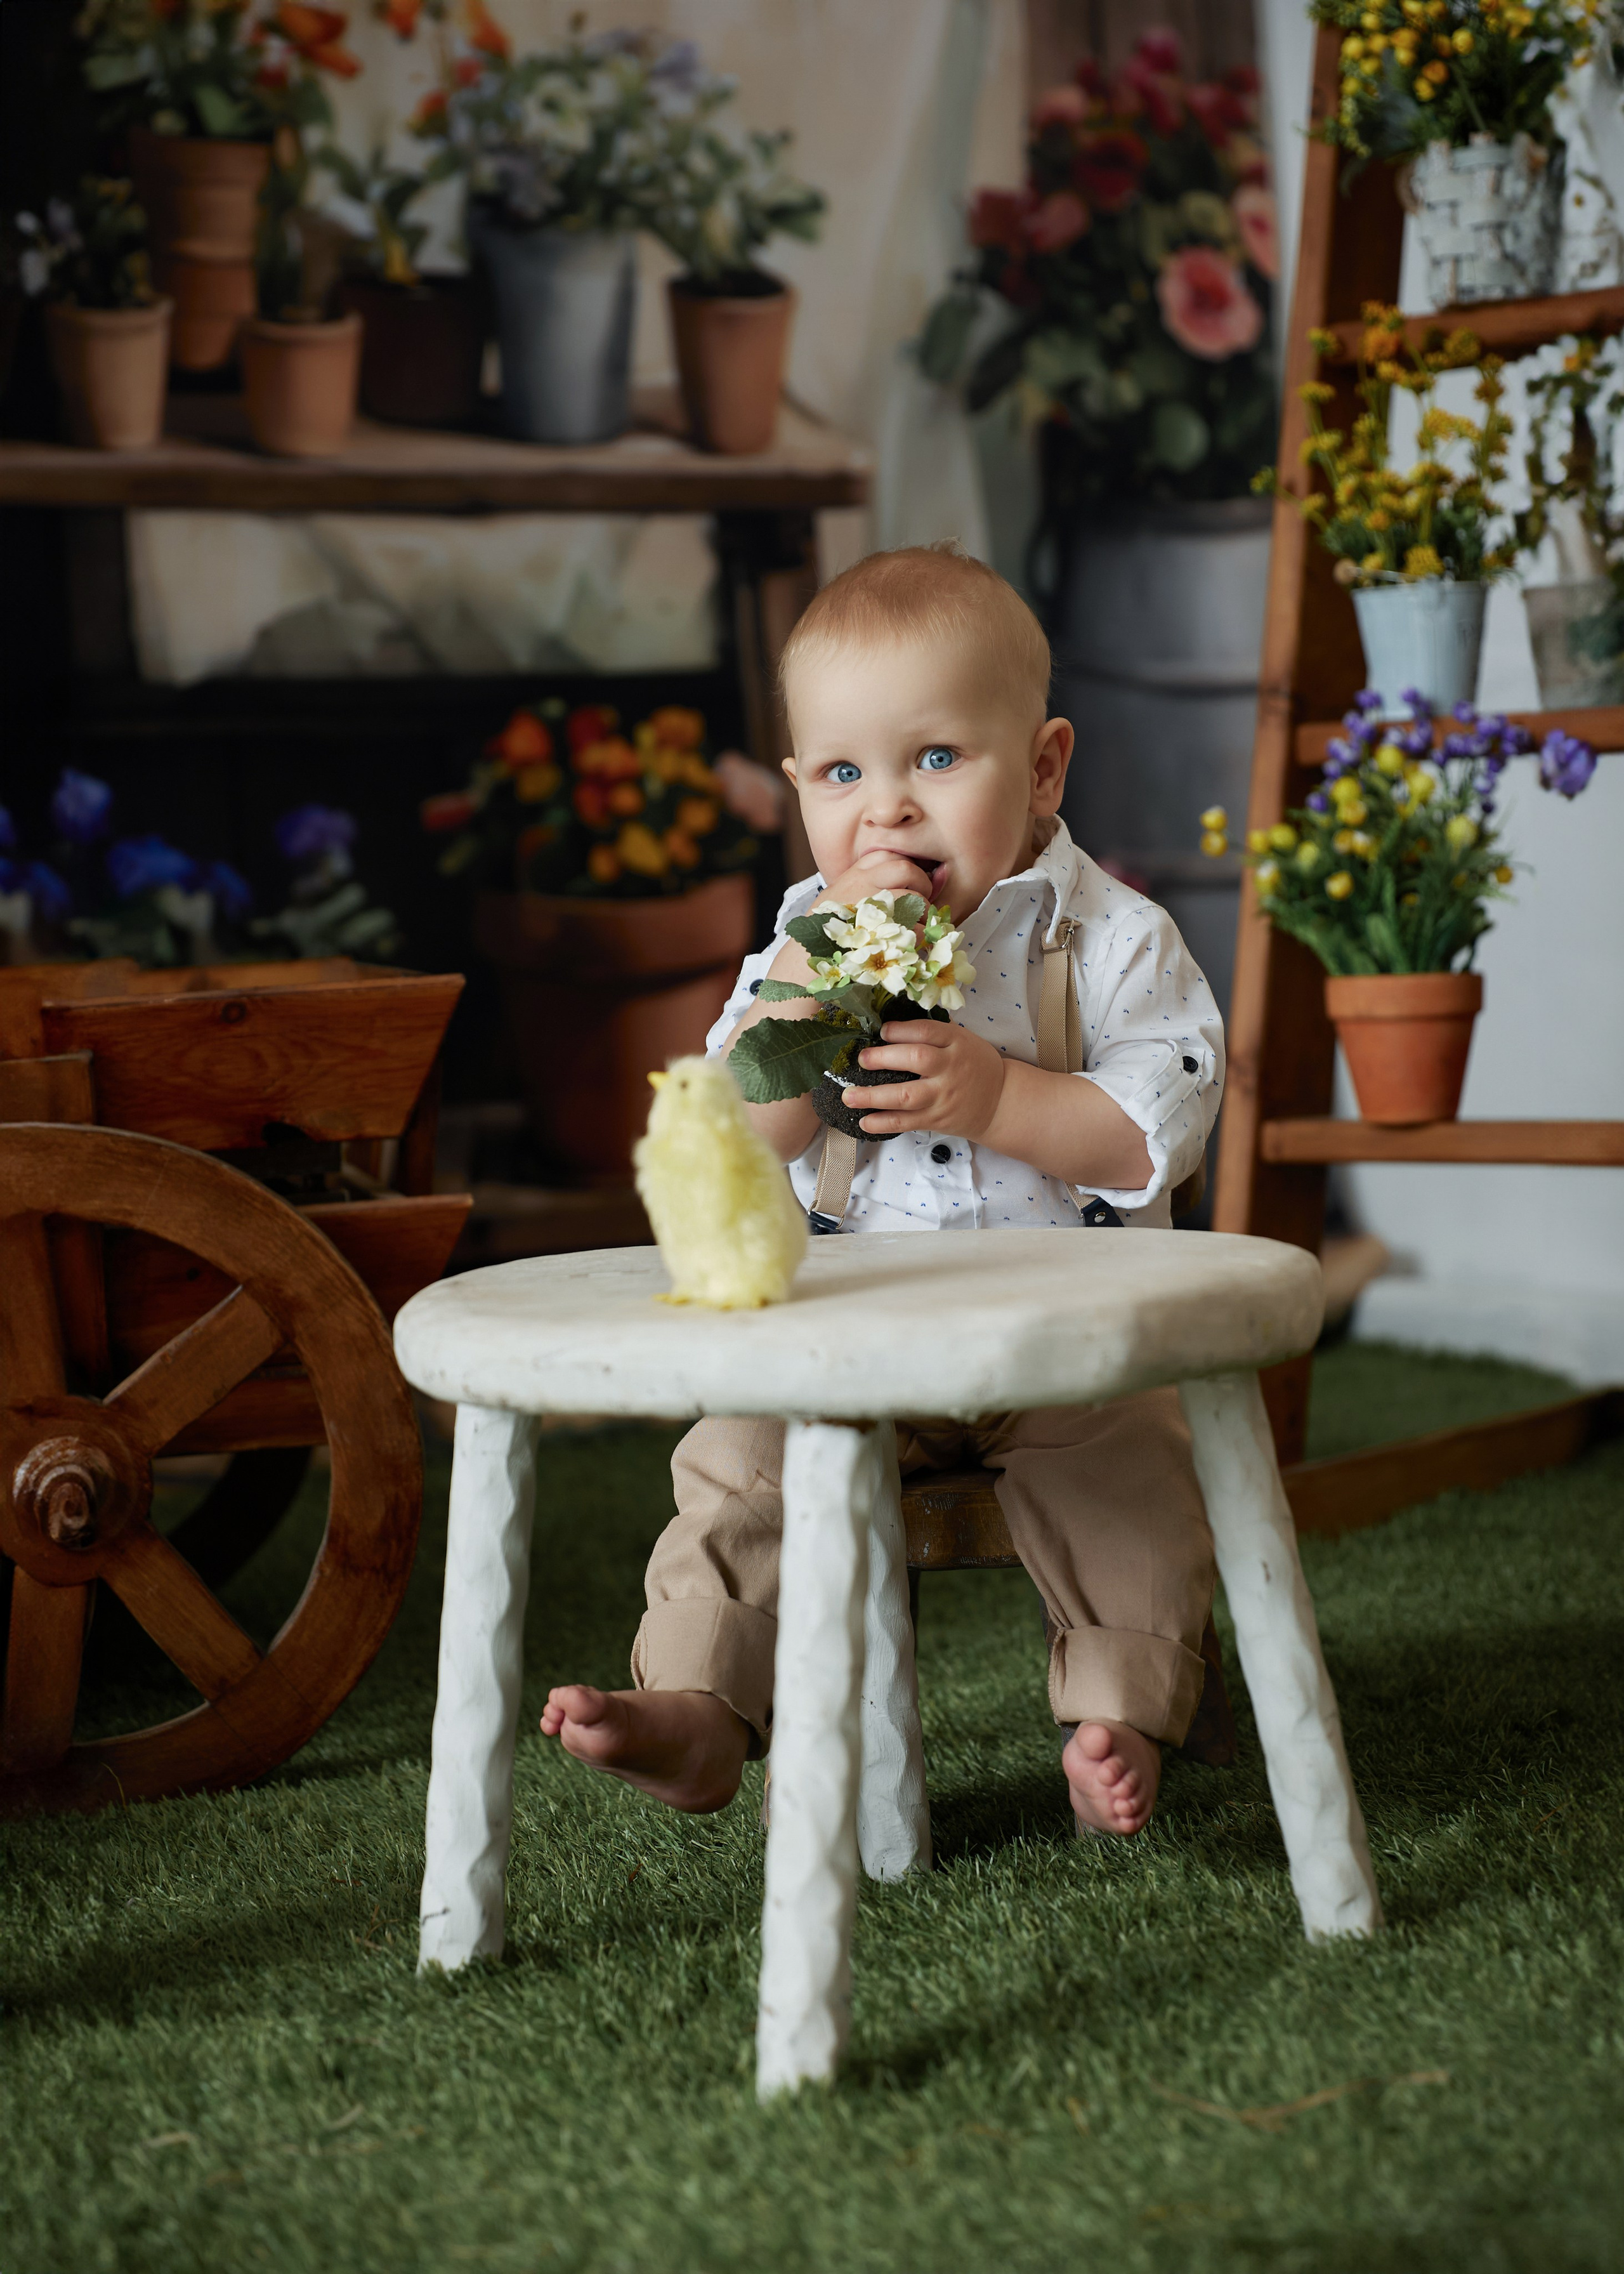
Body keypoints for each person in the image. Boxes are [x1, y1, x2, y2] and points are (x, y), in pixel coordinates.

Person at [542, 544, 1224, 1837]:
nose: (887, 812)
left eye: (935, 761)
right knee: (741, 1456)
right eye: (844, 774)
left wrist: (1002, 1099)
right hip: (856, 1348)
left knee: (1132, 1475)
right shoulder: (800, 943)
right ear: (799, 791)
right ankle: (694, 1703)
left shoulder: (1113, 936)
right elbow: (740, 1134)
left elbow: (1155, 1129)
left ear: (1040, 769)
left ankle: (1114, 1716)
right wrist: (804, 1005)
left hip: (1063, 1351)